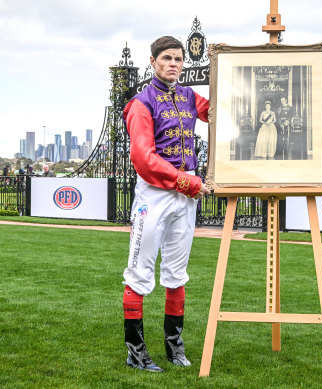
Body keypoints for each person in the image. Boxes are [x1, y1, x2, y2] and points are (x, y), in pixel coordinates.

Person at [121, 35, 211, 373]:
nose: (173, 63)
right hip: (156, 194)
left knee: (176, 272)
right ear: (153, 61)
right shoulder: (141, 103)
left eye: (178, 59)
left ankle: (175, 347)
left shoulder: (188, 95)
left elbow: (219, 111)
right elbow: (143, 159)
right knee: (140, 270)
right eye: (166, 58)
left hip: (184, 195)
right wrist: (187, 182)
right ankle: (136, 352)